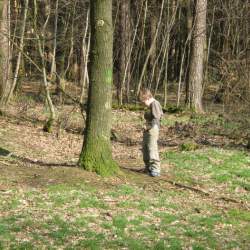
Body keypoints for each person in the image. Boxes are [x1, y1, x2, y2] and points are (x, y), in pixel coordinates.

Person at [139, 88, 163, 177]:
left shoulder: (155, 104)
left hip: (153, 129)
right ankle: (148, 167)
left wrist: (149, 127)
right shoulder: (149, 106)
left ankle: (155, 169)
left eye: (143, 101)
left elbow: (156, 118)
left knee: (152, 148)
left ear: (148, 97)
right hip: (147, 128)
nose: (143, 103)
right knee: (145, 148)